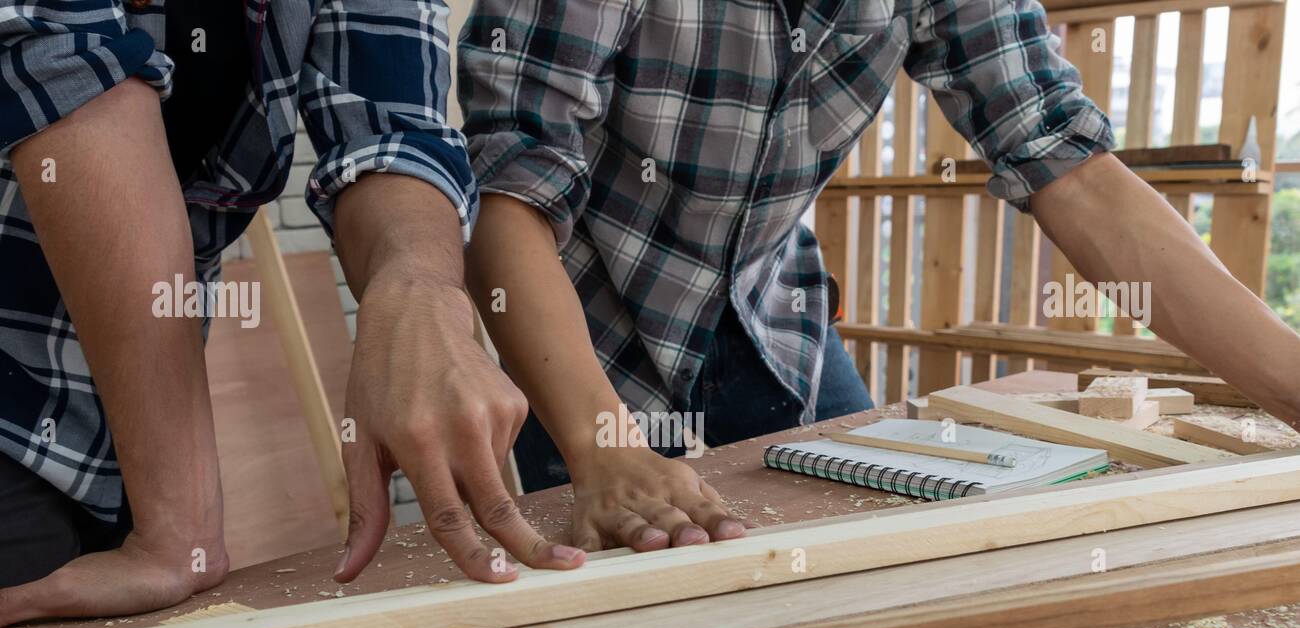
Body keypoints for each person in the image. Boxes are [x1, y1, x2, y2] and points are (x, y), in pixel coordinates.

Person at [457, 0, 1300, 555]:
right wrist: (605, 444)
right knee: (620, 605)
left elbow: (1073, 171)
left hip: (772, 312)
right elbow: (510, 193)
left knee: (850, 563)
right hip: (577, 334)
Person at [0, 0, 584, 627]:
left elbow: (390, 129)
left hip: (124, 426)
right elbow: (72, 82)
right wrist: (179, 526)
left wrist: (415, 290)